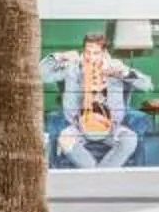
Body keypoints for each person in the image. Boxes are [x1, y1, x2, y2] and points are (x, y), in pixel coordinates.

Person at [43, 29, 151, 169]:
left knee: (130, 139)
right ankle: (98, 175)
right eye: (88, 52)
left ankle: (96, 176)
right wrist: (61, 56)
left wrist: (123, 74)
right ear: (83, 51)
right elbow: (42, 74)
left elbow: (147, 85)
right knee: (65, 139)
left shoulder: (115, 67)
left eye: (96, 53)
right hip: (78, 126)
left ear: (104, 53)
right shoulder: (72, 67)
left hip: (112, 127)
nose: (91, 57)